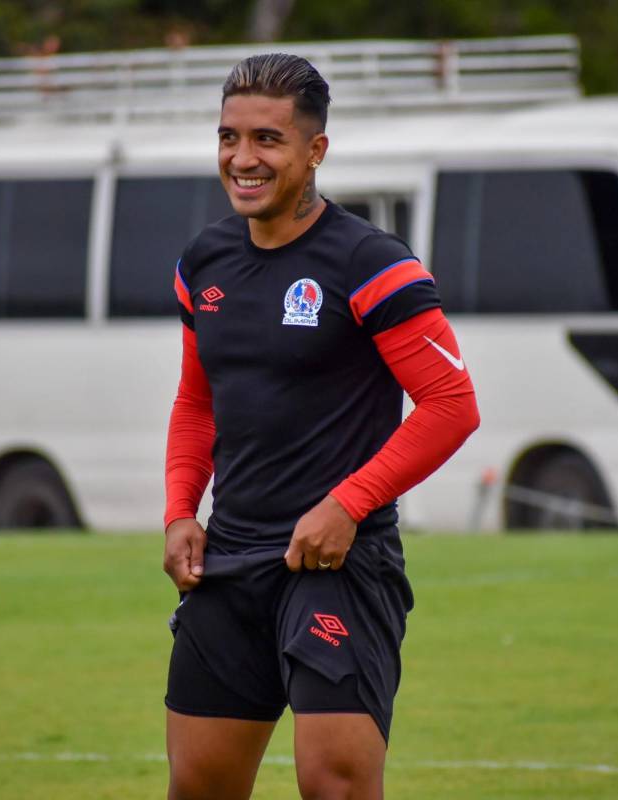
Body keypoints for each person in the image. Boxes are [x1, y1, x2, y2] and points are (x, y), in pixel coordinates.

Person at [162, 52, 479, 800]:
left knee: (335, 785)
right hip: (230, 561)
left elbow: (450, 405)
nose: (243, 159)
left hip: (337, 567)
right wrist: (181, 509)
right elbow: (197, 403)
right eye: (228, 138)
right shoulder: (203, 264)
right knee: (198, 787)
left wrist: (349, 502)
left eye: (268, 140)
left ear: (315, 151)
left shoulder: (371, 263)